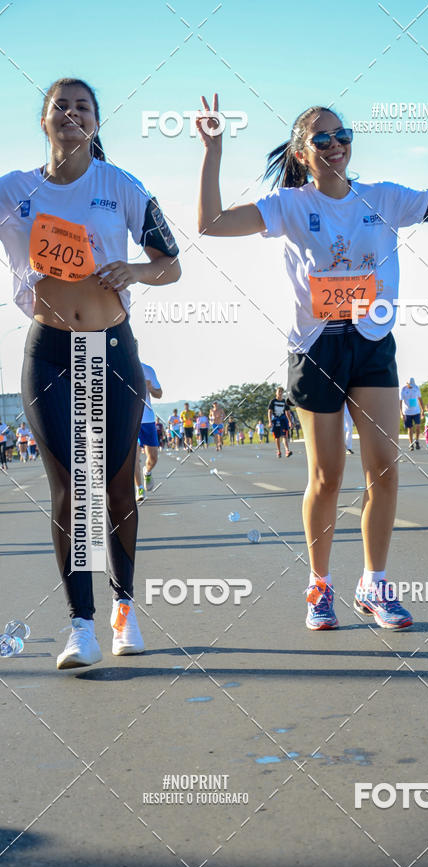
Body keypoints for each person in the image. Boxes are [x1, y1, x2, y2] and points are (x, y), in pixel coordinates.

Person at [196, 87, 428, 630]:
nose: (336, 144)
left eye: (343, 135)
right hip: (316, 346)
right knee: (327, 478)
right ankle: (320, 586)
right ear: (301, 153)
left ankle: (375, 582)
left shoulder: (384, 197)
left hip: (371, 341)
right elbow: (211, 223)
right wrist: (213, 151)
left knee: (384, 469)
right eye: (322, 138)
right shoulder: (291, 206)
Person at [0, 76, 181, 669]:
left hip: (112, 350)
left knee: (115, 483)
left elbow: (170, 265)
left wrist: (133, 270)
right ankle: (81, 624)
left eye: (83, 107)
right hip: (49, 350)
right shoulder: (16, 191)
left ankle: (124, 606)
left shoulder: (121, 185)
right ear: (44, 121)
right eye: (62, 106)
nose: (72, 113)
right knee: (69, 489)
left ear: (96, 123)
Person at [135, 357, 162, 502]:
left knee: (153, 457)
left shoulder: (147, 369)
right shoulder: (119, 368)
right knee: (134, 456)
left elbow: (159, 394)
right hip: (131, 419)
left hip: (148, 419)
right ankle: (139, 488)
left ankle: (148, 471)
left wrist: (150, 388)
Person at [268, 386, 293, 458]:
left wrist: (290, 421)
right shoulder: (273, 401)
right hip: (275, 420)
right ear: (276, 393)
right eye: (279, 392)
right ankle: (279, 451)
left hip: (283, 420)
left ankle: (287, 450)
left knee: (284, 436)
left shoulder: (285, 402)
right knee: (277, 437)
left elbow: (287, 412)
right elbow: (269, 411)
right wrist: (270, 421)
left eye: (281, 392)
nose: (280, 393)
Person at [400, 378, 424, 451]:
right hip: (407, 412)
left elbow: (420, 399)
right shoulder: (403, 390)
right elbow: (400, 402)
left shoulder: (416, 388)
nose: (411, 386)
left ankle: (417, 441)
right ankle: (411, 444)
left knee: (418, 426)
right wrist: (401, 413)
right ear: (407, 383)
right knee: (410, 428)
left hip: (416, 411)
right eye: (410, 385)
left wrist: (422, 410)